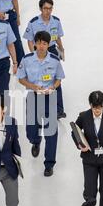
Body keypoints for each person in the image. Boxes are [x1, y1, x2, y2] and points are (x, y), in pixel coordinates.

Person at [17, 31, 65, 177]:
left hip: (49, 97)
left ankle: (49, 164)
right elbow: (20, 78)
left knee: (51, 132)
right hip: (32, 96)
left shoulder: (54, 60)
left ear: (48, 44)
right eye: (39, 43)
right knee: (32, 129)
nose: (42, 46)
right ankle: (35, 141)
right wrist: (32, 86)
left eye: (45, 43)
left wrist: (53, 87)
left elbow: (59, 78)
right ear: (35, 44)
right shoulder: (26, 60)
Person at [23, 0, 66, 119]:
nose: (48, 11)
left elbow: (57, 37)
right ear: (41, 9)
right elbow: (30, 40)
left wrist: (61, 50)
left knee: (56, 79)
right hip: (38, 52)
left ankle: (59, 109)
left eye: (50, 8)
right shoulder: (33, 23)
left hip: (51, 51)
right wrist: (34, 55)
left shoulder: (56, 21)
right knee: (39, 79)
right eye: (45, 8)